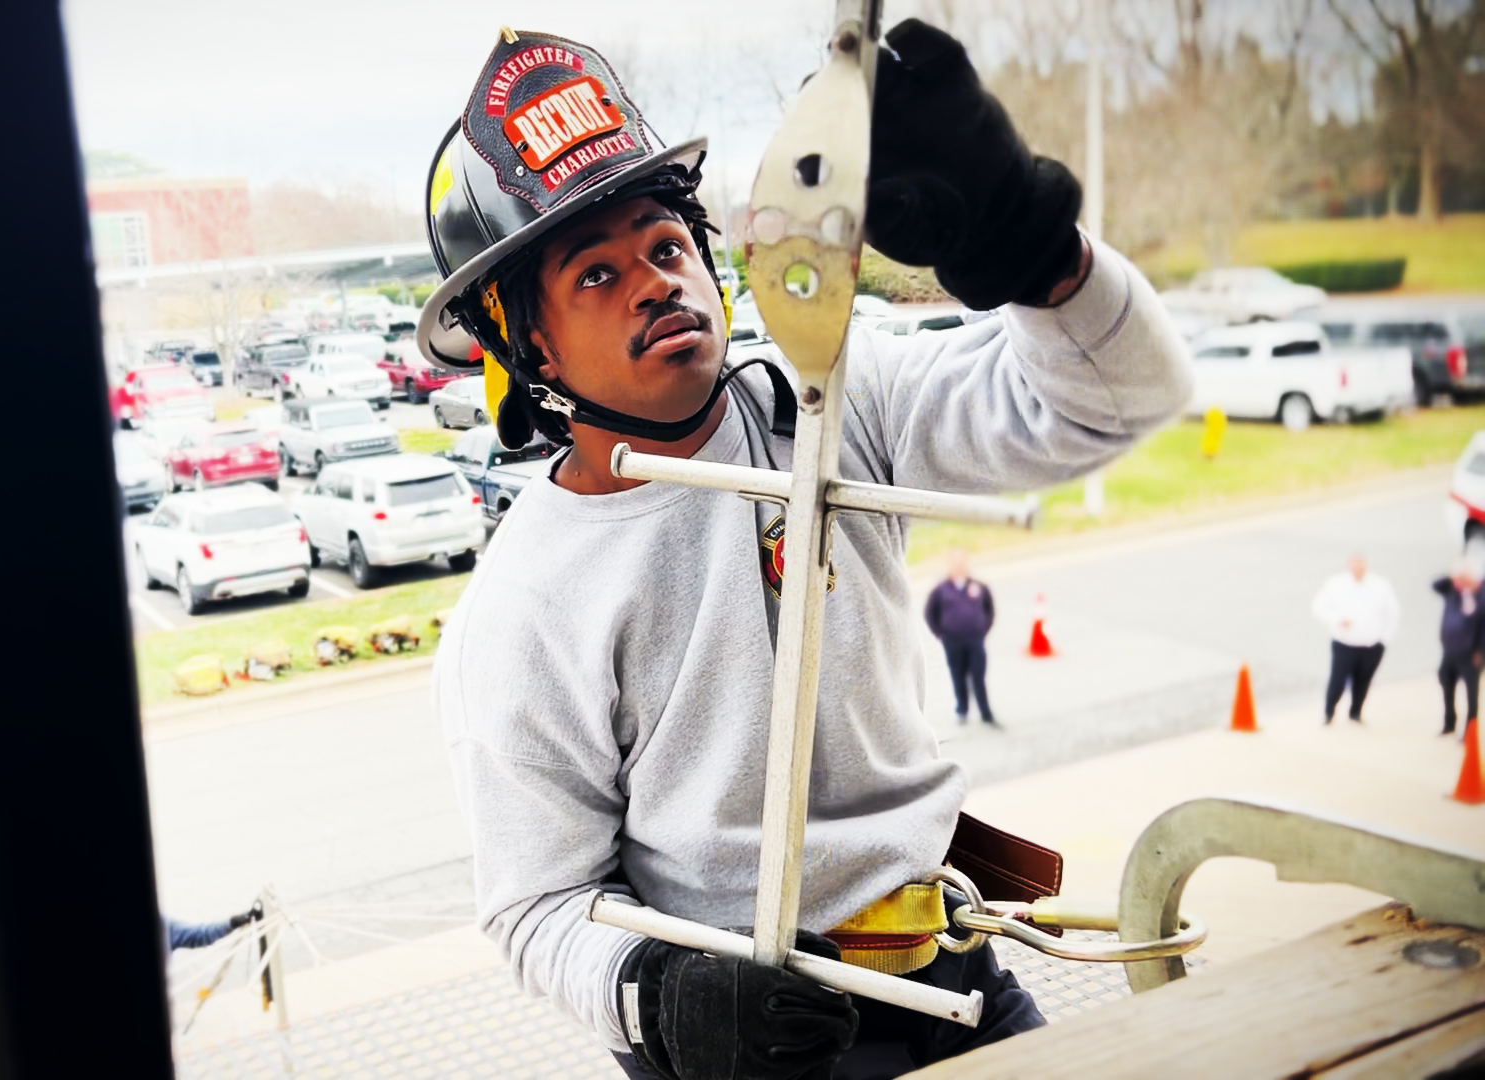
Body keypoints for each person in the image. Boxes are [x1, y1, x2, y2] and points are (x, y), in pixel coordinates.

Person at [420, 21, 1192, 1080]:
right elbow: (534, 908)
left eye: (664, 244)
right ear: (528, 343)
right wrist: (658, 996)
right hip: (744, 1044)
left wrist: (1027, 241)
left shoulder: (832, 403)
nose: (654, 282)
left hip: (952, 977)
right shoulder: (522, 611)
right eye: (595, 276)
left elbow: (1123, 401)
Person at [1311, 554, 1399, 725]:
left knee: (1363, 680)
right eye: (1354, 566)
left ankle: (1356, 711)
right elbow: (1318, 606)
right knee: (1337, 680)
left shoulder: (1380, 586)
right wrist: (1336, 620)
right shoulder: (1336, 584)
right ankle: (1329, 712)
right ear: (1348, 567)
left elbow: (1392, 613)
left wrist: (1384, 638)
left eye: (1361, 566)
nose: (1358, 570)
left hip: (1372, 644)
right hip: (1345, 643)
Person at [924, 549, 997, 726]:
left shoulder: (978, 587)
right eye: (956, 564)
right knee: (958, 676)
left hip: (975, 640)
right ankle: (962, 710)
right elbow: (930, 613)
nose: (959, 567)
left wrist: (982, 629)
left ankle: (985, 713)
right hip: (953, 641)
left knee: (978, 677)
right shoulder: (941, 590)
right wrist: (940, 633)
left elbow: (989, 610)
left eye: (962, 564)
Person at [1433, 562, 1485, 736]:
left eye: (1463, 578)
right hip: (1450, 651)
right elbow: (1435, 585)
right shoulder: (1453, 591)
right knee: (1447, 685)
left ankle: (1470, 731)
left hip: (1472, 654)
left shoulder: (1481, 593)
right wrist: (1451, 577)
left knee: (1471, 694)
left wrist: (1481, 652)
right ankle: (1449, 723)